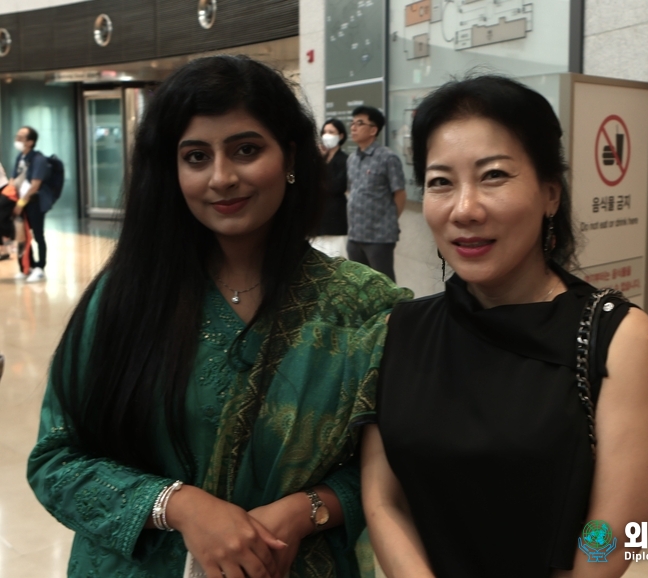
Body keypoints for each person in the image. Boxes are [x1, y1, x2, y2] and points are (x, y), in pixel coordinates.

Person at [27, 55, 411, 578]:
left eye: (246, 150)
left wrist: (306, 510)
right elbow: (56, 460)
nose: (222, 177)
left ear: (291, 155)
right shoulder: (127, 299)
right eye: (196, 157)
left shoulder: (363, 308)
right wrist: (181, 507)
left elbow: (398, 470)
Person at [361, 76, 648, 577]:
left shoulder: (618, 336)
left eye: (494, 175)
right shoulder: (401, 329)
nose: (465, 208)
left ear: (550, 192)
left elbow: (612, 535)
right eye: (441, 182)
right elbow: (383, 500)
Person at [346, 105, 406, 282]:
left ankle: (394, 311)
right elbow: (352, 190)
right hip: (355, 235)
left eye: (359, 123)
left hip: (379, 237)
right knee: (358, 284)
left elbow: (400, 194)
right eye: (352, 123)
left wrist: (387, 221)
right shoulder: (352, 158)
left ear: (373, 130)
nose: (353, 127)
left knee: (383, 285)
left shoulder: (387, 157)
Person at [12, 126, 50, 282]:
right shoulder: (20, 157)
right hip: (20, 202)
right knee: (22, 235)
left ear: (30, 141)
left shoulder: (38, 159)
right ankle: (27, 266)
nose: (17, 139)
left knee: (38, 235)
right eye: (17, 136)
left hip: (34, 203)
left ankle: (40, 267)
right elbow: (15, 180)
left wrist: (21, 203)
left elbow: (35, 186)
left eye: (21, 137)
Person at [311, 118, 348, 258]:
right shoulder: (319, 160)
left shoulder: (344, 160)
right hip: (316, 223)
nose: (327, 135)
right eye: (325, 132)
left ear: (341, 136)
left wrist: (319, 183)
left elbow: (337, 186)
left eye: (331, 132)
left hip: (334, 221)